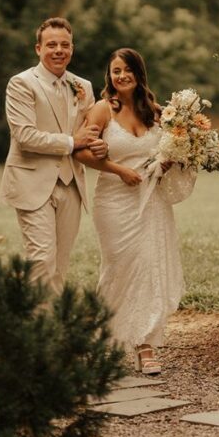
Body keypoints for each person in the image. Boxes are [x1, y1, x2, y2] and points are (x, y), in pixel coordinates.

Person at [74, 48, 183, 375]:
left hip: (151, 201)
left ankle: (145, 346)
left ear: (138, 73)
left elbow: (174, 150)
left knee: (149, 267)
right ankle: (104, 338)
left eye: (126, 70)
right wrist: (118, 169)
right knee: (119, 267)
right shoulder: (103, 110)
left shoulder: (157, 111)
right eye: (115, 71)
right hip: (113, 200)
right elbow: (80, 152)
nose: (120, 76)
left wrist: (168, 163)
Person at [0, 17, 108, 296]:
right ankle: (36, 332)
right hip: (32, 181)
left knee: (59, 264)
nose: (59, 50)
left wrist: (99, 146)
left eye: (65, 45)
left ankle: (51, 328)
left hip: (72, 183)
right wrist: (72, 142)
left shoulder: (83, 86)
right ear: (38, 48)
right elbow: (24, 136)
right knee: (41, 259)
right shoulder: (21, 83)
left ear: (72, 48)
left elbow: (91, 134)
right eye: (51, 45)